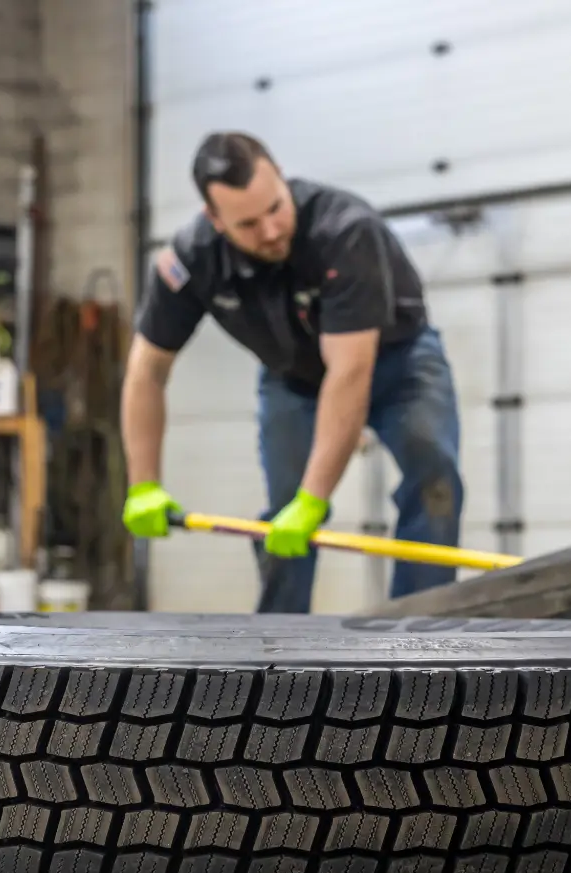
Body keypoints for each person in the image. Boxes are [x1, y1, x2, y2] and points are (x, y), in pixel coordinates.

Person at [119, 131, 465, 613]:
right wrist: (143, 483)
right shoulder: (191, 260)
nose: (271, 230)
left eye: (276, 208)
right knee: (284, 512)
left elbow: (349, 373)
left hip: (396, 360)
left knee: (434, 477)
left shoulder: (346, 231)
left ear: (280, 176)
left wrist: (315, 499)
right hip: (292, 377)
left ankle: (420, 636)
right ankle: (277, 654)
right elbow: (147, 371)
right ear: (213, 220)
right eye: (247, 224)